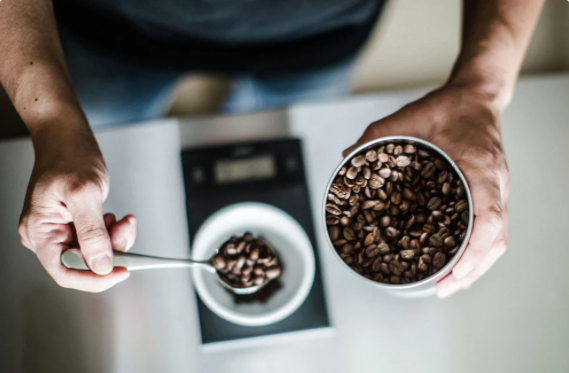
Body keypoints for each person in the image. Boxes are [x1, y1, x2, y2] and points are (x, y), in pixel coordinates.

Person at [0, 0, 544, 296]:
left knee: (269, 122)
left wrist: (483, 87)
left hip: (322, 35)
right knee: (108, 133)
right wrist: (52, 119)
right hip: (109, 26)